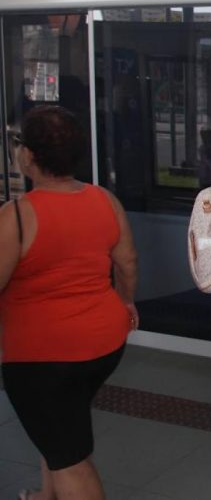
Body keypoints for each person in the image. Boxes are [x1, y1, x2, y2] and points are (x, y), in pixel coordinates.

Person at [0, 105, 139, 500]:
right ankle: (47, 496)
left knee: (70, 457)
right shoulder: (104, 199)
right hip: (104, 343)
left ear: (28, 156)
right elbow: (127, 263)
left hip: (44, 357)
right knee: (60, 431)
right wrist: (126, 302)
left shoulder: (17, 216)